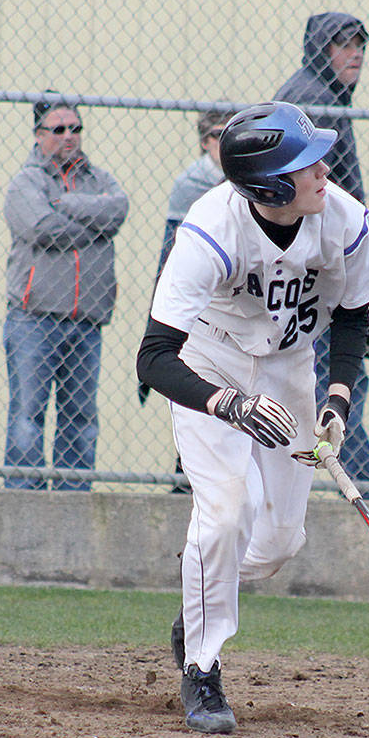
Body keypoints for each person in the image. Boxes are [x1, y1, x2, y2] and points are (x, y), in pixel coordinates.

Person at [136, 102, 369, 733]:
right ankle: (202, 667)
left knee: (278, 544)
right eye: (306, 164)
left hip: (288, 372)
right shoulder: (209, 230)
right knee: (225, 513)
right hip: (211, 369)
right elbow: (153, 358)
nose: (323, 170)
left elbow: (355, 315)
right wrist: (231, 405)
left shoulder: (345, 218)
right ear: (271, 186)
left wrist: (337, 398)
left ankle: (200, 594)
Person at [277, 11, 369, 496]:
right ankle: (365, 488)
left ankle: (359, 482)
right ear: (320, 51)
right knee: (338, 387)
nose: (354, 53)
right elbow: (323, 197)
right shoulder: (315, 99)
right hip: (315, 270)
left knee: (333, 378)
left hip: (319, 268)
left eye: (359, 43)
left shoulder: (323, 96)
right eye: (342, 44)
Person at [2, 95, 129, 489]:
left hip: (87, 321)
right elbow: (41, 228)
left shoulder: (99, 179)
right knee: (28, 415)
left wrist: (66, 204)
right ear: (39, 135)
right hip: (34, 319)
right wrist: (93, 230)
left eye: (75, 128)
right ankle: (24, 498)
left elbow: (119, 209)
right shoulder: (26, 182)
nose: (69, 137)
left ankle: (74, 498)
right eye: (58, 130)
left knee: (80, 418)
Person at [138, 108, 236, 493]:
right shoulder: (194, 184)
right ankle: (187, 476)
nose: (225, 143)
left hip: (237, 310)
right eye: (218, 135)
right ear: (204, 141)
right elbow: (172, 256)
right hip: (201, 308)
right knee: (198, 388)